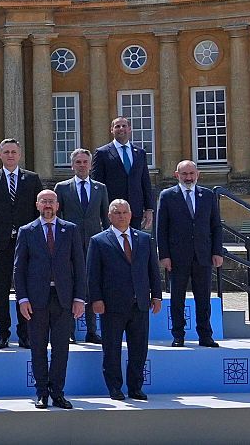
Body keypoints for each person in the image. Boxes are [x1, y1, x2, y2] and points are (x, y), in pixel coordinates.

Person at [13, 189, 85, 409]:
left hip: (63, 298)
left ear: (57, 205)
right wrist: (22, 298)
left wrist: (80, 298)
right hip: (36, 300)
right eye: (44, 201)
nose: (47, 205)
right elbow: (19, 268)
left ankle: (58, 393)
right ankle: (42, 392)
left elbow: (80, 267)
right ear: (37, 205)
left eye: (51, 202)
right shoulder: (27, 231)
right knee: (38, 348)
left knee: (61, 349)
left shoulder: (70, 230)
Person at [87, 199, 163, 401]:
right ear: (110, 216)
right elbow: (93, 274)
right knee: (112, 349)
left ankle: (135, 387)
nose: (121, 216)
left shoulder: (144, 239)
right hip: (112, 305)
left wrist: (156, 295)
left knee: (139, 348)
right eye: (117, 213)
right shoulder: (99, 241)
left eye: (124, 212)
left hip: (140, 303)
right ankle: (115, 387)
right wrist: (96, 299)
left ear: (131, 215)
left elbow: (153, 271)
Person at [0, 138, 41, 349]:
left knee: (26, 290)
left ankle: (25, 334)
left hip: (26, 245)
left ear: (19, 154)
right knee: (1, 291)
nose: (10, 155)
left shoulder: (32, 179)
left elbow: (37, 214)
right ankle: (3, 333)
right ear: (0, 154)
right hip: (0, 244)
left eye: (14, 151)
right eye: (6, 152)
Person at [154, 160, 224, 347]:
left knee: (204, 298)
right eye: (184, 174)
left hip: (203, 255)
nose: (188, 178)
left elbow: (216, 226)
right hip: (177, 257)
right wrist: (164, 255)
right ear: (177, 175)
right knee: (178, 298)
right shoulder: (167, 196)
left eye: (191, 174)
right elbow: (161, 229)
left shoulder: (207, 195)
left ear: (197, 174)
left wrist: (217, 251)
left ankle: (205, 335)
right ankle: (178, 335)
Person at [55, 148, 110, 344]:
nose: (82, 165)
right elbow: (57, 218)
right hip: (69, 245)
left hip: (94, 244)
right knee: (69, 287)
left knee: (92, 286)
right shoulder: (62, 188)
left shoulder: (100, 188)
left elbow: (105, 218)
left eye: (85, 162)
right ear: (72, 165)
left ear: (90, 164)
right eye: (78, 162)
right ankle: (69, 331)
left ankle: (92, 331)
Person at [93, 116, 154, 230]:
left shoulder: (140, 153)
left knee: (134, 244)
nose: (121, 128)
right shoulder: (102, 153)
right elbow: (97, 184)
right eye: (117, 126)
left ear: (129, 129)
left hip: (134, 211)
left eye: (124, 126)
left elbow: (145, 181)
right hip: (112, 211)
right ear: (112, 130)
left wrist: (149, 208)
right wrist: (99, 211)